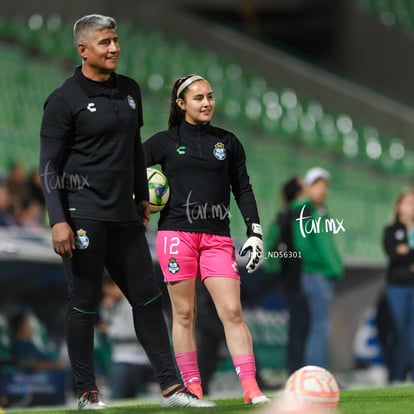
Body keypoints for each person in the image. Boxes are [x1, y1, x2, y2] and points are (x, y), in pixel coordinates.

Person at [39, 15, 214, 409]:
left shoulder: (129, 91)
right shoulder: (63, 99)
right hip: (82, 215)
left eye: (116, 40)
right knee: (83, 302)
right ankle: (86, 392)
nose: (114, 48)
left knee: (148, 299)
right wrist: (58, 220)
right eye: (105, 42)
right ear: (83, 50)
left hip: (124, 217)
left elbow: (135, 149)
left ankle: (172, 389)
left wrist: (140, 196)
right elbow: (48, 164)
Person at [143, 74, 270, 405]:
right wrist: (137, 203)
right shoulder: (162, 142)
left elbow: (242, 188)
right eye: (198, 98)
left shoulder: (228, 142)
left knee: (232, 310)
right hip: (175, 235)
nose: (207, 103)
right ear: (181, 104)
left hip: (217, 237)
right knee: (184, 315)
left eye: (210, 96)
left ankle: (251, 388)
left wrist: (255, 230)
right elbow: (128, 171)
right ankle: (193, 388)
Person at [290, 167, 343, 368]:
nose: (322, 190)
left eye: (324, 186)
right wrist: (329, 265)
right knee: (320, 327)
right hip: (315, 274)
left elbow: (327, 245)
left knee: (319, 327)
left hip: (323, 275)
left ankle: (316, 372)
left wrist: (334, 266)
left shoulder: (320, 211)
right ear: (309, 187)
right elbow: (303, 246)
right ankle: (316, 373)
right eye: (317, 185)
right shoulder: (304, 209)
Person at [264, 175, 308, 375]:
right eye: (304, 186)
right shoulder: (300, 213)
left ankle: (295, 372)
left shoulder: (282, 214)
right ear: (298, 192)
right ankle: (298, 372)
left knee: (297, 328)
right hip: (298, 278)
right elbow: (302, 248)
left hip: (287, 278)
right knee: (300, 328)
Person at [100, 276, 155, 399]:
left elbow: (135, 332)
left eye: (109, 292)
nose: (109, 296)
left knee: (116, 398)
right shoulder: (115, 304)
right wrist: (106, 309)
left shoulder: (131, 304)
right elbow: (108, 321)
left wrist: (109, 331)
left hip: (130, 360)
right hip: (121, 358)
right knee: (128, 399)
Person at [382, 187, 414, 384]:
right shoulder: (391, 230)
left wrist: (406, 252)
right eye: (409, 202)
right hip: (397, 287)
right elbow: (393, 254)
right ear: (399, 206)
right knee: (398, 332)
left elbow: (402, 254)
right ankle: (396, 376)